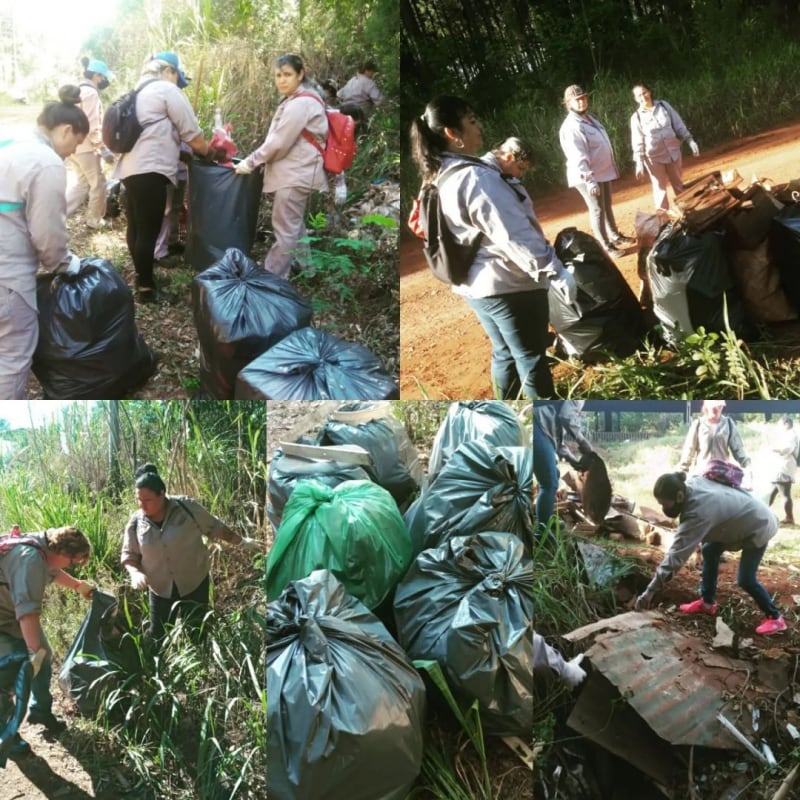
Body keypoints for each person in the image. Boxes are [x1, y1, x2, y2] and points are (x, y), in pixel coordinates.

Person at [410, 96, 576, 400]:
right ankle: (550, 429)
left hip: (474, 286)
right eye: (472, 121)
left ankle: (505, 415)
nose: (480, 126)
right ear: (452, 132)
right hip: (506, 286)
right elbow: (514, 235)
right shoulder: (475, 177)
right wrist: (554, 271)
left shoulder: (438, 173)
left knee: (505, 353)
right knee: (531, 358)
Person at [114, 51, 227, 302]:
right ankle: (146, 289)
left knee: (136, 227)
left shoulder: (138, 90)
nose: (178, 83)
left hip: (129, 169)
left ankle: (142, 276)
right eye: (178, 77)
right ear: (169, 72)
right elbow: (193, 135)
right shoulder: (166, 90)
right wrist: (211, 153)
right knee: (148, 231)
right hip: (151, 170)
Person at [0, 85, 89, 399]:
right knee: (12, 353)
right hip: (6, 277)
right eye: (76, 143)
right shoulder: (45, 162)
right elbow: (47, 235)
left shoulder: (8, 141)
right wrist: (65, 264)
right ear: (66, 130)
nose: (73, 152)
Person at [121, 464, 262, 642]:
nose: (142, 505)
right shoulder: (136, 522)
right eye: (139, 500)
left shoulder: (186, 508)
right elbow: (129, 555)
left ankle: (201, 665)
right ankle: (157, 667)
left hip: (194, 583)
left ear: (162, 493)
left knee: (197, 632)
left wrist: (242, 542)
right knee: (158, 636)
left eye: (147, 500)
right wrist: (135, 573)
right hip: (160, 590)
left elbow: (215, 527)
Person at [635, 472, 786, 635]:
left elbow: (676, 557)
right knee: (709, 549)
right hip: (743, 517)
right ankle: (708, 603)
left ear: (679, 496)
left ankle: (775, 617)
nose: (663, 509)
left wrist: (649, 592)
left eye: (665, 504)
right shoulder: (692, 484)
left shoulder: (697, 512)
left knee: (746, 579)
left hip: (759, 525)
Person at [0, 526, 94, 752]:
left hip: (9, 612)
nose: (71, 566)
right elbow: (28, 613)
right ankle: (6, 734)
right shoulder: (30, 560)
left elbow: (52, 571)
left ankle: (40, 711)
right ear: (63, 552)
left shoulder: (43, 547)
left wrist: (78, 586)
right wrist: (33, 652)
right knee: (7, 675)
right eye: (72, 562)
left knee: (44, 656)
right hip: (6, 617)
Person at [235, 54, 328, 279]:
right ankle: (308, 270)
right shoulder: (299, 100)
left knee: (285, 228)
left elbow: (278, 143)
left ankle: (272, 278)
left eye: (287, 75)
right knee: (294, 224)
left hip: (295, 174)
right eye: (278, 75)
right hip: (300, 172)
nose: (281, 80)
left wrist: (251, 161)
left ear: (300, 74)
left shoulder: (301, 103)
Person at [558, 84, 635, 259]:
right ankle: (605, 246)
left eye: (583, 97)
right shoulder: (571, 126)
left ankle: (615, 236)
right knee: (597, 209)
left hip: (602, 171)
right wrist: (589, 180)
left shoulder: (589, 119)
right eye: (576, 100)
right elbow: (578, 155)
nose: (581, 101)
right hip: (586, 175)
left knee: (606, 205)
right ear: (568, 103)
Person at [630, 84, 699, 211]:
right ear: (635, 99)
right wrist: (639, 162)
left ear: (649, 92)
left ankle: (688, 213)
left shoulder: (664, 106)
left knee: (679, 185)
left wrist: (690, 140)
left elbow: (678, 124)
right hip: (653, 158)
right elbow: (637, 141)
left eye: (644, 92)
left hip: (673, 152)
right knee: (659, 189)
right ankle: (664, 221)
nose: (643, 97)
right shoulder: (636, 118)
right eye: (639, 95)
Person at [66, 57, 115, 228]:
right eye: (102, 77)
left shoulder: (77, 91)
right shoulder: (91, 93)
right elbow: (91, 125)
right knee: (98, 183)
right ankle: (94, 220)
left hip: (72, 146)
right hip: (86, 147)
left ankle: (56, 216)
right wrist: (102, 148)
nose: (104, 81)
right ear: (96, 76)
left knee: (82, 184)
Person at [533, 400, 594, 536]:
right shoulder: (576, 401)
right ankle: (542, 532)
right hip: (536, 428)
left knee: (553, 475)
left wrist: (574, 462)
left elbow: (558, 443)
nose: (577, 416)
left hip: (541, 431)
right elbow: (567, 416)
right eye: (578, 414)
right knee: (549, 484)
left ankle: (547, 519)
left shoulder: (555, 419)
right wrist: (582, 441)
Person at [678, 400, 751, 487]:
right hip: (702, 474)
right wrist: (682, 471)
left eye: (719, 406)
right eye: (713, 407)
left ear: (722, 407)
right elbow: (689, 450)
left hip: (723, 475)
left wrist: (747, 465)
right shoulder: (698, 424)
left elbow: (738, 449)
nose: (716, 409)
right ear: (706, 406)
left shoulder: (728, 424)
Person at [767, 415, 798, 526]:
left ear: (786, 424)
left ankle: (789, 518)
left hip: (784, 468)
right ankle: (762, 513)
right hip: (783, 467)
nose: (778, 427)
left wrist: (773, 448)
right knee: (771, 492)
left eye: (780, 424)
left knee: (785, 494)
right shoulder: (790, 434)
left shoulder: (790, 435)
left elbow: (787, 449)